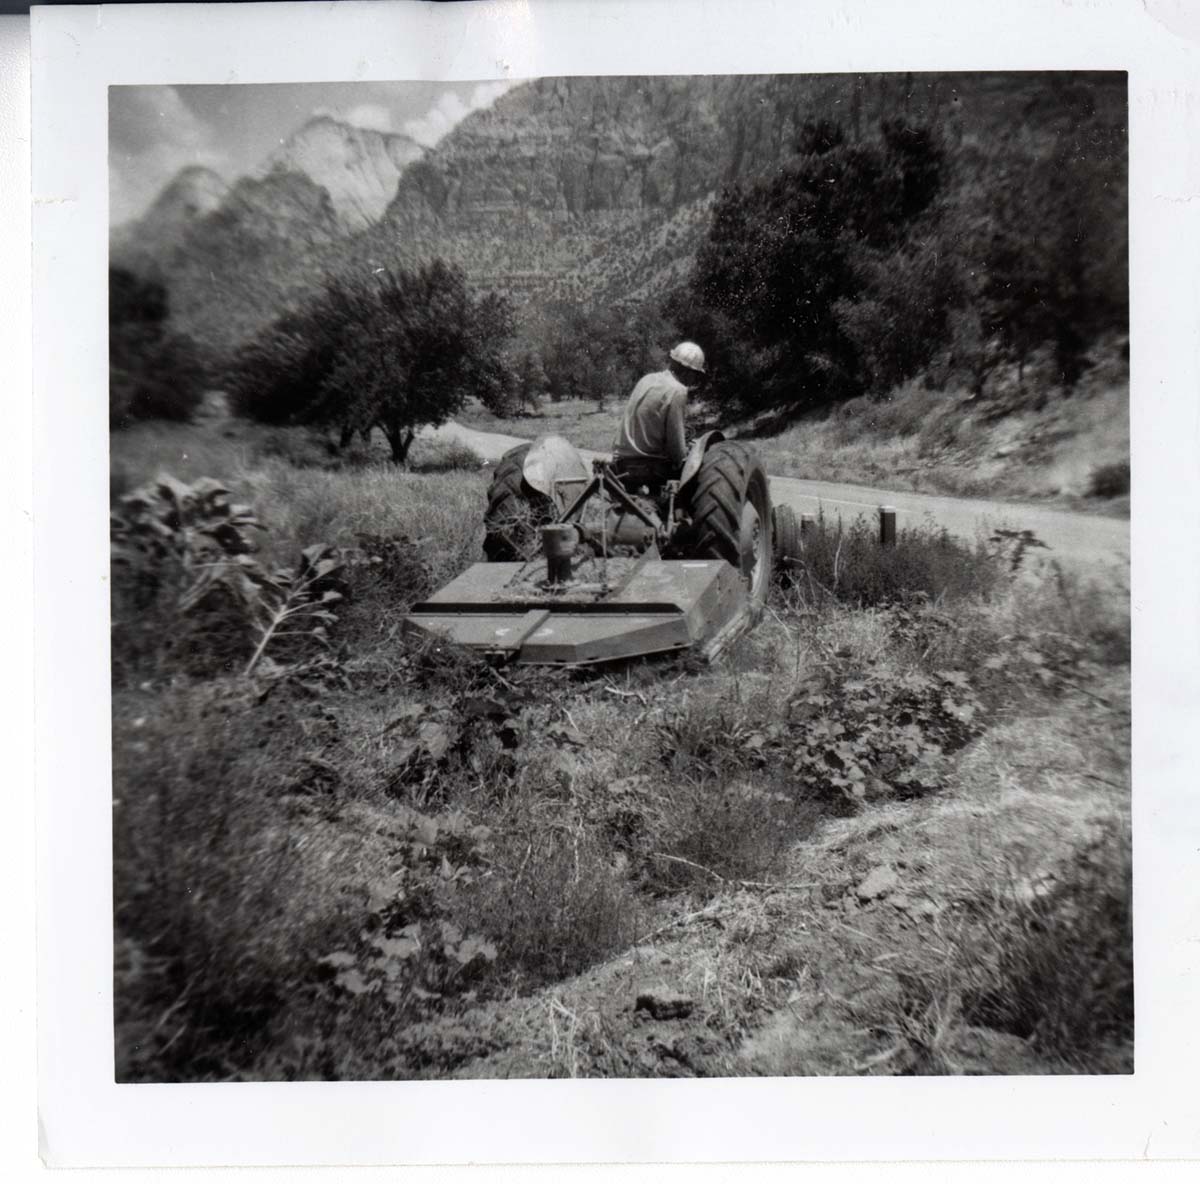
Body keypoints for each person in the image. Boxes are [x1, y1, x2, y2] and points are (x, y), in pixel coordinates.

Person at [611, 341, 706, 489]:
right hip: (651, 469)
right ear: (688, 372)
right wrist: (687, 454)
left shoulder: (646, 379)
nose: (694, 380)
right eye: (695, 375)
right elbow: (677, 451)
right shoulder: (678, 390)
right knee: (696, 474)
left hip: (621, 463)